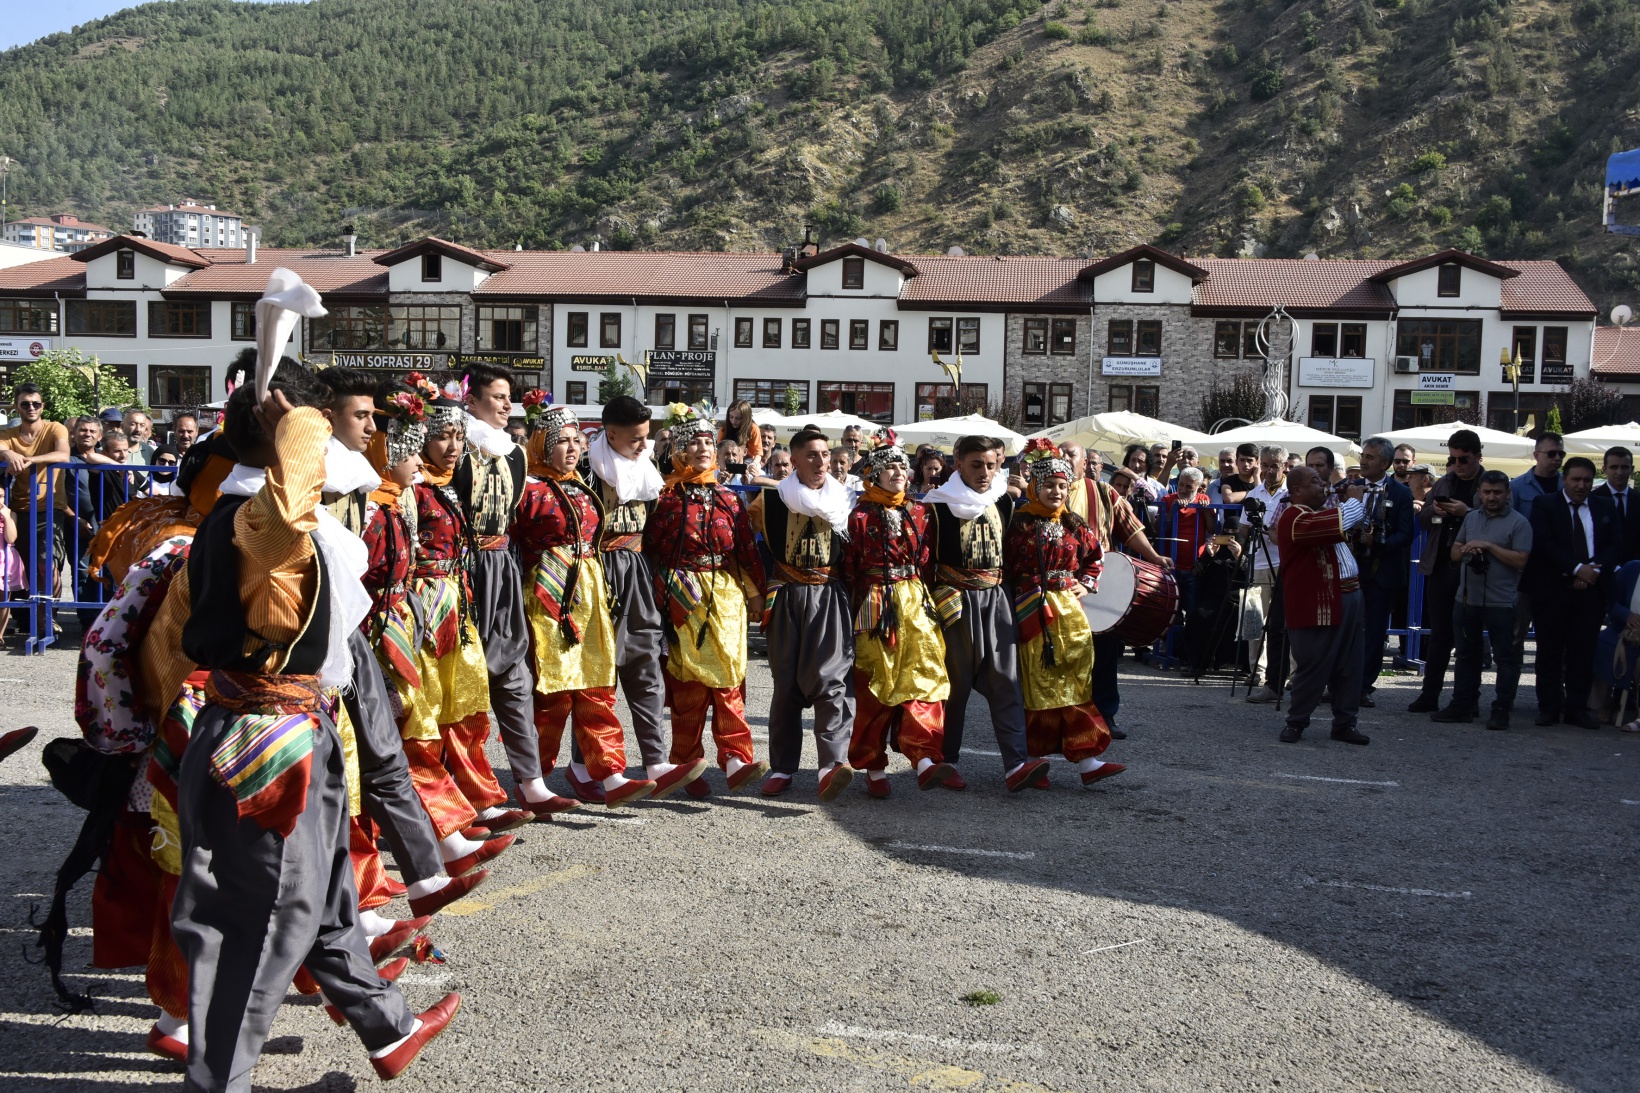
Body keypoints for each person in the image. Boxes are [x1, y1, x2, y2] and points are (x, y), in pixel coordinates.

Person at [170, 374, 459, 1091]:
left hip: (286, 726)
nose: (327, 441)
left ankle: (385, 1023)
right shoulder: (261, 521)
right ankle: (220, 1082)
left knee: (325, 894)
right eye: (315, 431)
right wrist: (293, 427)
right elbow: (291, 499)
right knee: (265, 918)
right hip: (270, 741)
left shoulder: (251, 513)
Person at [357, 376, 505, 903]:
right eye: (433, 440)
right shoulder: (382, 506)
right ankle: (439, 836)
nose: (441, 452)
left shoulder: (422, 491)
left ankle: (456, 825)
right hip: (398, 621)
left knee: (452, 712)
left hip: (433, 609)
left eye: (456, 438)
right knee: (410, 730)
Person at [516, 402, 662, 808]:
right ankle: (535, 780)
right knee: (554, 693)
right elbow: (514, 548)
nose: (570, 448)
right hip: (548, 596)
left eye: (575, 440)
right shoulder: (526, 490)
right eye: (559, 440)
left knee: (597, 686)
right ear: (541, 444)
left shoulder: (581, 485)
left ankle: (611, 774)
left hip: (591, 592)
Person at [409, 392, 533, 832]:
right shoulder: (410, 490)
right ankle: (440, 814)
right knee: (426, 713)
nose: (453, 446)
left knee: (466, 705)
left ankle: (479, 800)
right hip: (420, 609)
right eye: (442, 436)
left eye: (458, 436)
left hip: (457, 602)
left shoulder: (449, 486)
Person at [646, 404, 770, 794]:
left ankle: (735, 759)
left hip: (725, 596)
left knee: (730, 678)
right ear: (679, 450)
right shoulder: (663, 499)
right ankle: (687, 763)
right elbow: (650, 552)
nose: (703, 448)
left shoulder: (730, 500)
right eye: (694, 443)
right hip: (682, 595)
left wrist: (755, 596)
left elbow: (747, 551)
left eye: (707, 442)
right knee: (689, 686)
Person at [924, 435, 1048, 791]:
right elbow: (923, 563)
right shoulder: (935, 507)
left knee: (1006, 682)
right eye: (976, 464)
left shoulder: (1006, 504)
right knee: (955, 686)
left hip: (996, 599)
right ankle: (946, 761)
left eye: (992, 465)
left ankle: (1015, 764)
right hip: (954, 603)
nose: (985, 472)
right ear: (958, 461)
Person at [573, 394, 680, 804]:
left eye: (646, 437)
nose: (642, 445)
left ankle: (655, 761)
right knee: (599, 673)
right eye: (635, 438)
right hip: (596, 572)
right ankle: (583, 765)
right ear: (610, 433)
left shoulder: (647, 470)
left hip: (635, 569)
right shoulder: (584, 469)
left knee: (644, 662)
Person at [842, 430, 958, 796]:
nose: (898, 472)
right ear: (873, 473)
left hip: (915, 601)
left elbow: (927, 560)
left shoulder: (919, 511)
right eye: (889, 467)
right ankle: (874, 768)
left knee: (926, 678)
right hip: (875, 602)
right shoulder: (857, 515)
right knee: (877, 683)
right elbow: (850, 567)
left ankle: (924, 759)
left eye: (902, 466)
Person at [453, 363, 543, 824]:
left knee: (513, 673)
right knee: (466, 680)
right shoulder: (454, 447)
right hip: (463, 568)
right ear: (471, 400)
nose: (509, 405)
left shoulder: (515, 454)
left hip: (502, 566)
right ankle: (473, 796)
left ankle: (532, 783)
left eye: (511, 397)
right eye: (499, 397)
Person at [748, 427, 858, 799]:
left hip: (829, 596)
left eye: (825, 455)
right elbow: (747, 552)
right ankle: (782, 768)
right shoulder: (770, 501)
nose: (821, 462)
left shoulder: (846, 500)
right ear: (792, 461)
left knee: (832, 680)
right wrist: (756, 594)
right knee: (787, 686)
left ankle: (831, 765)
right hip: (788, 597)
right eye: (811, 455)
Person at [1006, 440, 1123, 786]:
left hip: (1069, 614)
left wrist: (1085, 584)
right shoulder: (1019, 524)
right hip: (1032, 612)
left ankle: (1088, 760)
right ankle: (1032, 760)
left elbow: (1096, 556)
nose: (1056, 492)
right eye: (1049, 486)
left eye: (1062, 486)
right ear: (1034, 487)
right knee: (1036, 684)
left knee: (1075, 681)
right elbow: (1006, 568)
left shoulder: (1074, 524)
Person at [1273, 466, 1371, 745]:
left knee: (1350, 665)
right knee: (1313, 664)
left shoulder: (1318, 515)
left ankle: (1345, 723)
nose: (1323, 484)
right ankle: (1296, 723)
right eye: (1315, 481)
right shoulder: (1293, 516)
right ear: (1297, 491)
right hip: (1318, 602)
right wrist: (1353, 499)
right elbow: (1340, 521)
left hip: (1349, 596)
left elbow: (1341, 525)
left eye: (1322, 479)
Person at [1525, 456, 1622, 729]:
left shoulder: (1604, 505)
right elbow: (1545, 543)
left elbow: (1615, 543)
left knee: (1583, 651)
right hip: (1553, 590)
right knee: (1549, 653)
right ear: (1564, 479)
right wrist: (1578, 568)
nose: (1581, 485)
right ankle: (1549, 708)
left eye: (1587, 480)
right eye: (1576, 479)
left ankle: (1577, 709)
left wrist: (1593, 572)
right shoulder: (1545, 504)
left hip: (1591, 592)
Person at [1435, 470, 1532, 729]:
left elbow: (1521, 560)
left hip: (1501, 602)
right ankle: (1463, 705)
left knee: (1505, 658)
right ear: (1479, 492)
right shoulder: (1470, 518)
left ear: (1508, 493)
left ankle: (1501, 709)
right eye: (1487, 492)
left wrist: (1489, 547)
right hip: (1467, 599)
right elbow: (1455, 553)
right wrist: (1469, 549)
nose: (1492, 497)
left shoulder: (1519, 522)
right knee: (1466, 655)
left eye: (1497, 492)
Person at [1408, 430, 1485, 714]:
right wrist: (1440, 511)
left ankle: (1467, 700)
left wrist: (1466, 512)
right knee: (1439, 635)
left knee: (1468, 637)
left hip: (1473, 570)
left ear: (1478, 456)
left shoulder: (1489, 484)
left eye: (1463, 459)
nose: (1457, 464)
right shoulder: (1444, 483)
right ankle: (1429, 695)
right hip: (1441, 566)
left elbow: (1498, 522)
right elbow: (1427, 520)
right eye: (1452, 458)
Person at [1351, 437, 1414, 707]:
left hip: (1382, 571)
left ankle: (1363, 685)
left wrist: (1376, 543)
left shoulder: (1401, 493)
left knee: (1374, 631)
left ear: (1386, 463)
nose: (1363, 460)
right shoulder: (1350, 487)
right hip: (1350, 570)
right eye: (1363, 455)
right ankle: (1340, 682)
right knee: (1347, 630)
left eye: (1371, 457)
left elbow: (1405, 535)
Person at [1244, 445, 1289, 702]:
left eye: (1275, 465)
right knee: (1257, 619)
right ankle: (1256, 671)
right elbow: (1243, 527)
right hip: (1260, 562)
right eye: (1266, 465)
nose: (1270, 470)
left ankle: (1290, 674)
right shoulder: (1254, 492)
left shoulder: (1290, 492)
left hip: (1284, 562)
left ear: (1283, 466)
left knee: (1284, 622)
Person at [1159, 466, 1212, 625]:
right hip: (1170, 565)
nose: (1183, 489)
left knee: (1192, 609)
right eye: (1181, 484)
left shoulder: (1203, 500)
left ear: (1199, 487)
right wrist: (1173, 510)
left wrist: (1206, 510)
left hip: (1194, 566)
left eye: (1189, 486)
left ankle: (1188, 646)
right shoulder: (1168, 500)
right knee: (1171, 610)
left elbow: (1212, 529)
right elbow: (1162, 529)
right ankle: (1170, 646)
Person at [1593, 556, 1640, 732]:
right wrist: (1627, 615)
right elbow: (1612, 603)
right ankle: (1602, 703)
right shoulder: (1633, 569)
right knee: (1603, 645)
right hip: (1622, 628)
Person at [1593, 446, 1640, 563]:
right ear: (1604, 469)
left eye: (1624, 467)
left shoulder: (1638, 499)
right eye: (1614, 467)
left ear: (1632, 469)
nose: (1619, 472)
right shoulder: (1592, 500)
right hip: (1601, 568)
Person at [1511, 432, 1564, 518]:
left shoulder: (1567, 484)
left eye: (1561, 454)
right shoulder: (1516, 486)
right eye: (1552, 454)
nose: (1557, 458)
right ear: (1536, 455)